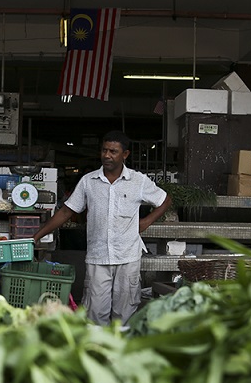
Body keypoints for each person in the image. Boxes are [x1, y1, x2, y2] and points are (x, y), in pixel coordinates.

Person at [32, 131, 172, 326]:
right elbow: (65, 212)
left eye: (113, 151)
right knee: (95, 314)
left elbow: (165, 200)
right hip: (98, 258)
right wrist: (37, 236)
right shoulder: (89, 182)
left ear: (125, 155)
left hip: (127, 257)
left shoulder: (138, 181)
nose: (107, 155)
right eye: (104, 150)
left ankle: (120, 352)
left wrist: (147, 221)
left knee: (124, 315)